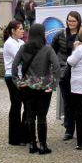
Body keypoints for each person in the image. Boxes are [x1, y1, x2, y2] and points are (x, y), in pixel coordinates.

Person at [12, 23, 60, 155]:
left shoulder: (23, 48)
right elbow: (57, 68)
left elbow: (14, 66)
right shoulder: (48, 49)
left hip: (27, 87)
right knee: (42, 117)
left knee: (30, 116)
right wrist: (53, 85)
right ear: (41, 34)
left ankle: (32, 144)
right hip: (44, 88)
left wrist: (18, 82)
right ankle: (43, 145)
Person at [51, 10, 82, 141]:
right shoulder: (60, 34)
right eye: (69, 20)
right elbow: (52, 50)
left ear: (78, 22)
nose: (71, 23)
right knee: (67, 102)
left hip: (78, 72)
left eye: (73, 21)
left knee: (78, 102)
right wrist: (56, 64)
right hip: (64, 72)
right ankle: (69, 130)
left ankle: (80, 130)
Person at [2, 20, 27, 146]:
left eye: (23, 28)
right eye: (20, 29)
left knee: (23, 105)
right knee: (16, 106)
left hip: (22, 77)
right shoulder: (9, 43)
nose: (23, 31)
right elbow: (21, 58)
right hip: (12, 77)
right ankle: (15, 138)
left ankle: (24, 134)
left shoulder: (21, 42)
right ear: (13, 31)